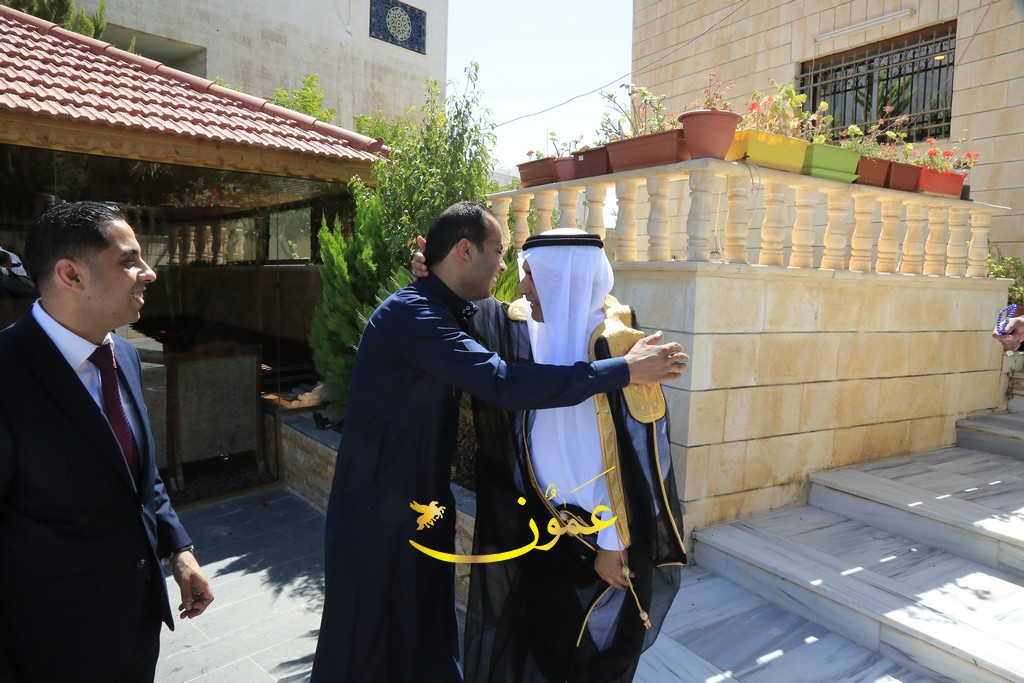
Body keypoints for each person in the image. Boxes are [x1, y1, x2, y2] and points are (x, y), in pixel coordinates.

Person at [309, 203, 685, 683]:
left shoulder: (591, 336)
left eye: (527, 271)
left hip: (420, 507)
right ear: (465, 251)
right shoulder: (415, 315)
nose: (509, 272)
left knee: (420, 627)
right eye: (500, 253)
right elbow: (504, 382)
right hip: (380, 513)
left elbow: (629, 458)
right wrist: (624, 371)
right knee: (369, 635)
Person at [417, 228, 687, 682]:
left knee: (590, 656)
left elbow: (641, 454)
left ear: (566, 280)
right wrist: (436, 275)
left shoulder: (616, 344)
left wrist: (613, 544)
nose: (522, 287)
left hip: (597, 540)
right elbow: (472, 315)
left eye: (532, 276)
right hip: (539, 526)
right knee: (539, 647)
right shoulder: (523, 325)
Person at [0, 201, 213, 682]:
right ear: (71, 275)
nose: (149, 273)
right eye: (129, 260)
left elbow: (138, 476)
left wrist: (178, 550)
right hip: (48, 651)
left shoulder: (125, 355)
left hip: (137, 630)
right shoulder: (7, 374)